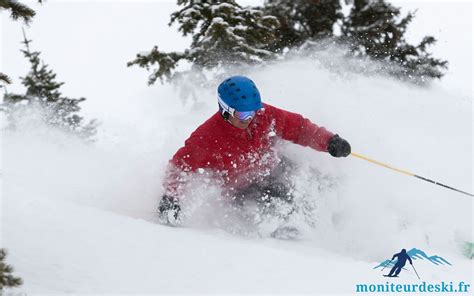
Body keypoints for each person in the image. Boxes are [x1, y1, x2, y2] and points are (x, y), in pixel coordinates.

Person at [158, 75, 351, 225]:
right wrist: (171, 198)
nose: (249, 118)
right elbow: (180, 166)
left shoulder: (263, 115)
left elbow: (299, 128)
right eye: (243, 113)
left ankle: (339, 210)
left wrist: (329, 142)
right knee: (282, 207)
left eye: (253, 110)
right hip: (243, 189)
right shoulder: (207, 138)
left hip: (274, 168)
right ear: (225, 110)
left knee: (313, 181)